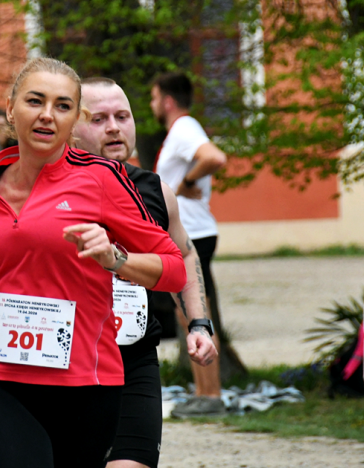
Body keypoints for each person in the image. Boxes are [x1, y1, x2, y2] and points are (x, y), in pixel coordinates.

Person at [0, 57, 186, 468]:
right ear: (11, 108)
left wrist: (115, 258)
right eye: (35, 101)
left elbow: (173, 267)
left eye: (63, 106)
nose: (48, 115)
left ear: (75, 119)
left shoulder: (102, 180)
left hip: (86, 381)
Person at [74, 77, 218, 468]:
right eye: (99, 118)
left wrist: (198, 324)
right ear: (70, 127)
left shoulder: (155, 190)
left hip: (133, 359)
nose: (114, 127)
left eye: (122, 116)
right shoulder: (49, 190)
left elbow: (185, 255)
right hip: (67, 365)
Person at [150, 72, 228, 418]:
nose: (152, 106)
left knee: (198, 315)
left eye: (154, 99)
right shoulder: (180, 131)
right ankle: (203, 392)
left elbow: (215, 157)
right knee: (188, 317)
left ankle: (211, 396)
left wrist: (185, 183)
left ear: (167, 101)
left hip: (193, 234)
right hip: (188, 232)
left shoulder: (183, 128)